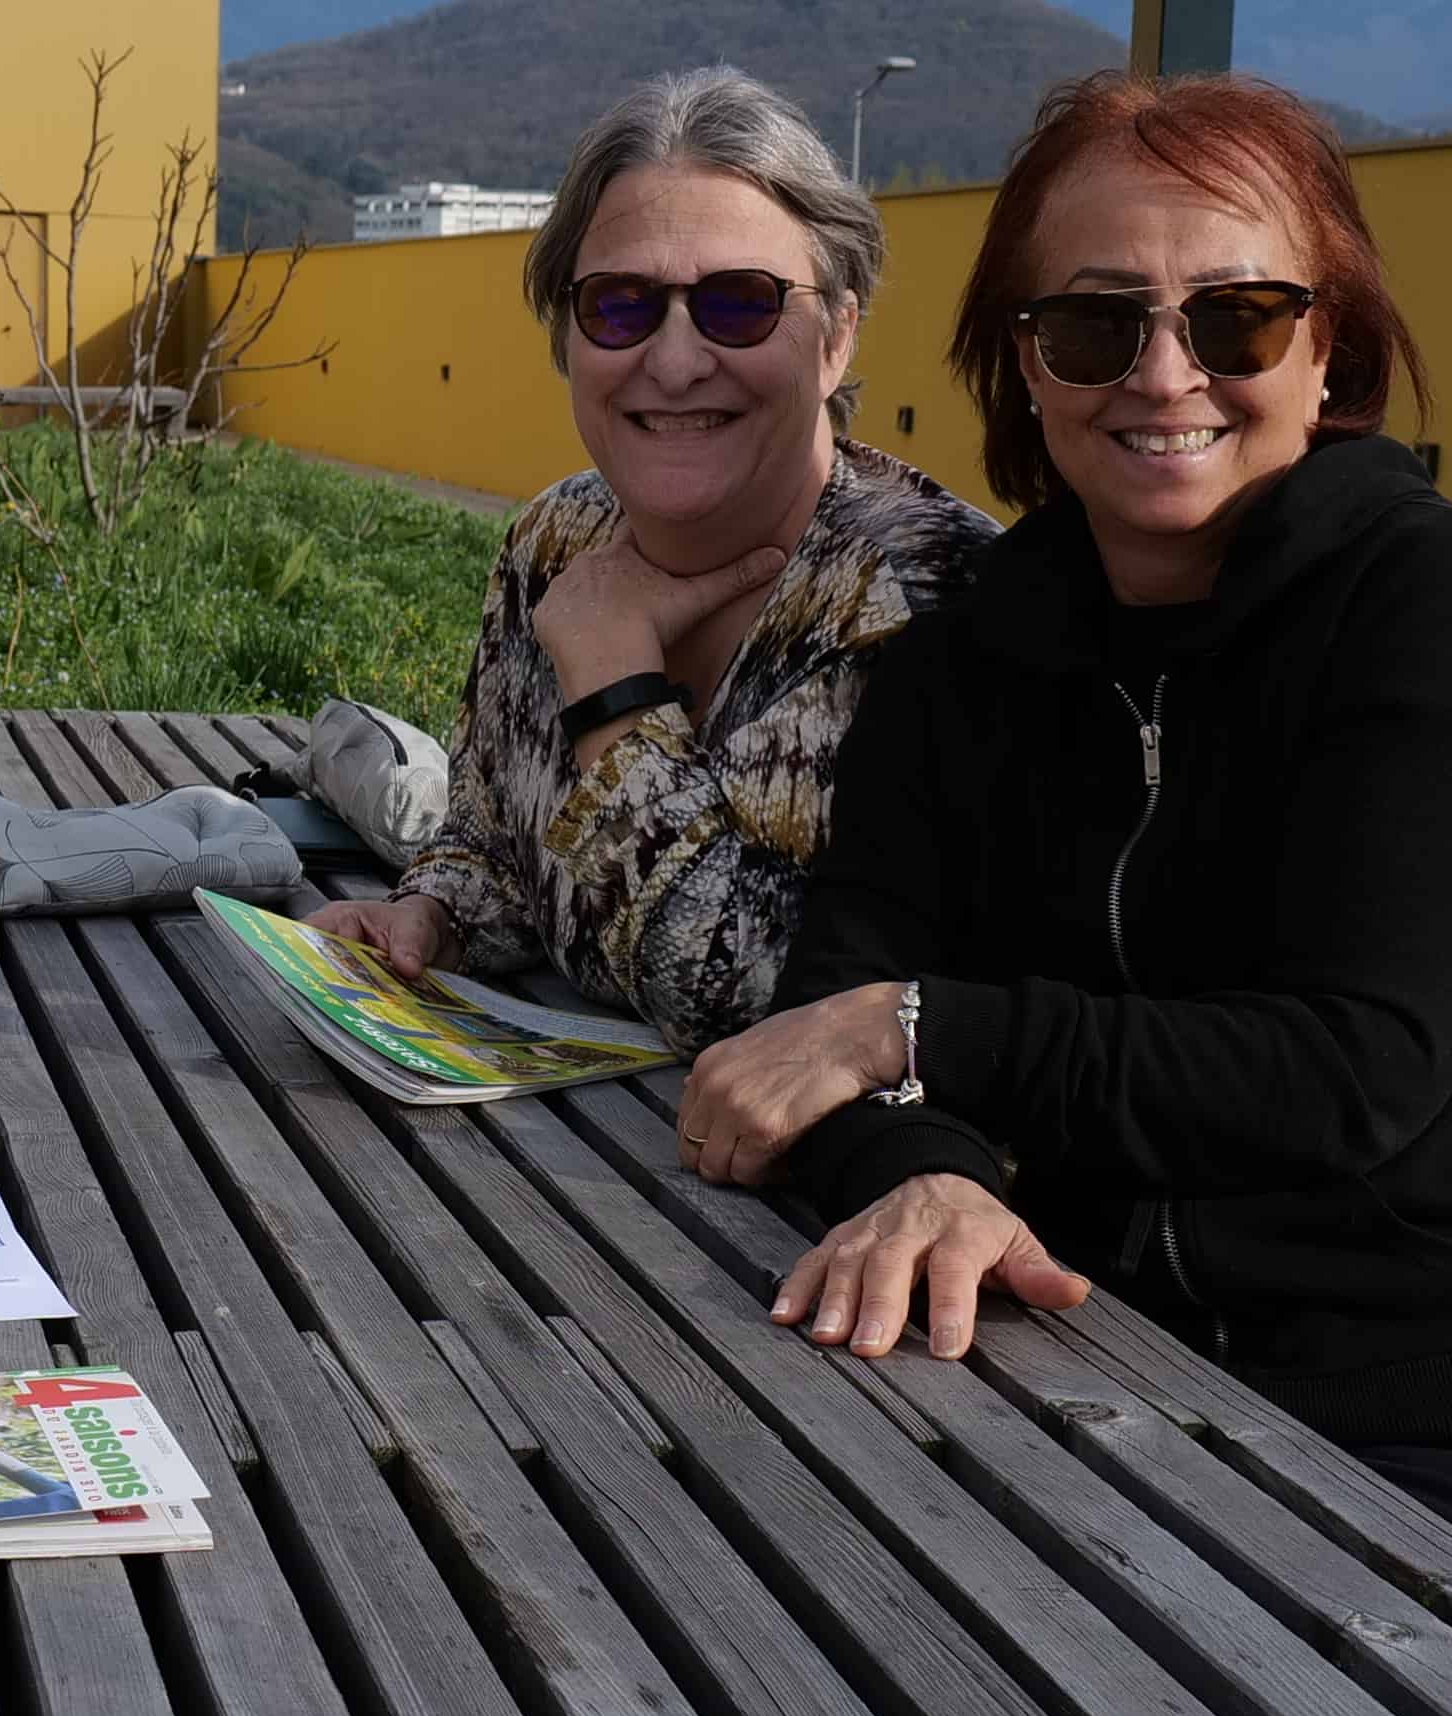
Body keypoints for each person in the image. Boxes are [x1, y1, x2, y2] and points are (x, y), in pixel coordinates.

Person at [674, 69, 1452, 1667]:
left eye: (1235, 319)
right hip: (1116, 1369)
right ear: (1023, 364)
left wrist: (926, 1031)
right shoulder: (967, 662)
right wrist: (921, 1170)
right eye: (1096, 324)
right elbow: (827, 1018)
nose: (1165, 374)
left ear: (1330, 351)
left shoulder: (1431, 606)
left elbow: (1348, 1068)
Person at [310, 69, 988, 1042]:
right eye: (622, 306)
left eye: (741, 304)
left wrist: (616, 690)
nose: (672, 361)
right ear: (567, 336)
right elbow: (497, 841)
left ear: (836, 337)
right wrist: (434, 918)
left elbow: (783, 1010)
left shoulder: (928, 601)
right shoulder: (556, 541)